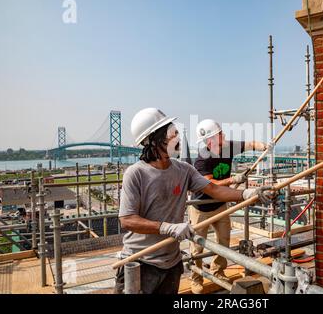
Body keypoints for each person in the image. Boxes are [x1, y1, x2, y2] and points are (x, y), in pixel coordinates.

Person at [114, 108, 275, 294]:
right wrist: (166, 227)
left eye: (176, 133)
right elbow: (127, 219)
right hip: (140, 263)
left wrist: (248, 194)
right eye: (172, 135)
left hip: (171, 264)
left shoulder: (184, 170)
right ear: (153, 140)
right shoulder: (136, 174)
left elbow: (214, 189)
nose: (178, 140)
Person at [188, 119, 267, 294]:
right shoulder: (202, 160)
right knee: (197, 246)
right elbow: (211, 186)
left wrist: (262, 146)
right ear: (211, 141)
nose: (223, 134)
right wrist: (233, 180)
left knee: (223, 241)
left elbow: (250, 144)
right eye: (219, 133)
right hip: (200, 207)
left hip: (220, 205)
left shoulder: (228, 146)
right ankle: (196, 277)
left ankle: (218, 271)